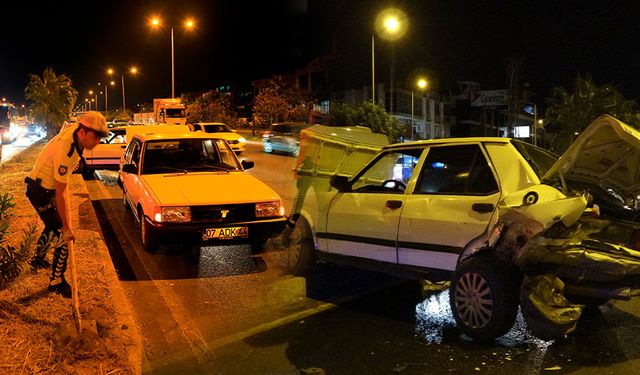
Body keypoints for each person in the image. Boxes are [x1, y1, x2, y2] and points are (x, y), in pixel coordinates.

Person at [25, 111, 107, 298]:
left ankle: (38, 259)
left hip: (45, 187)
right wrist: (68, 226)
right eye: (96, 136)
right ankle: (56, 281)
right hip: (40, 191)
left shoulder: (75, 134)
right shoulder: (67, 149)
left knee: (53, 225)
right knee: (62, 232)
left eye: (100, 137)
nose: (98, 141)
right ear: (82, 133)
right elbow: (62, 192)